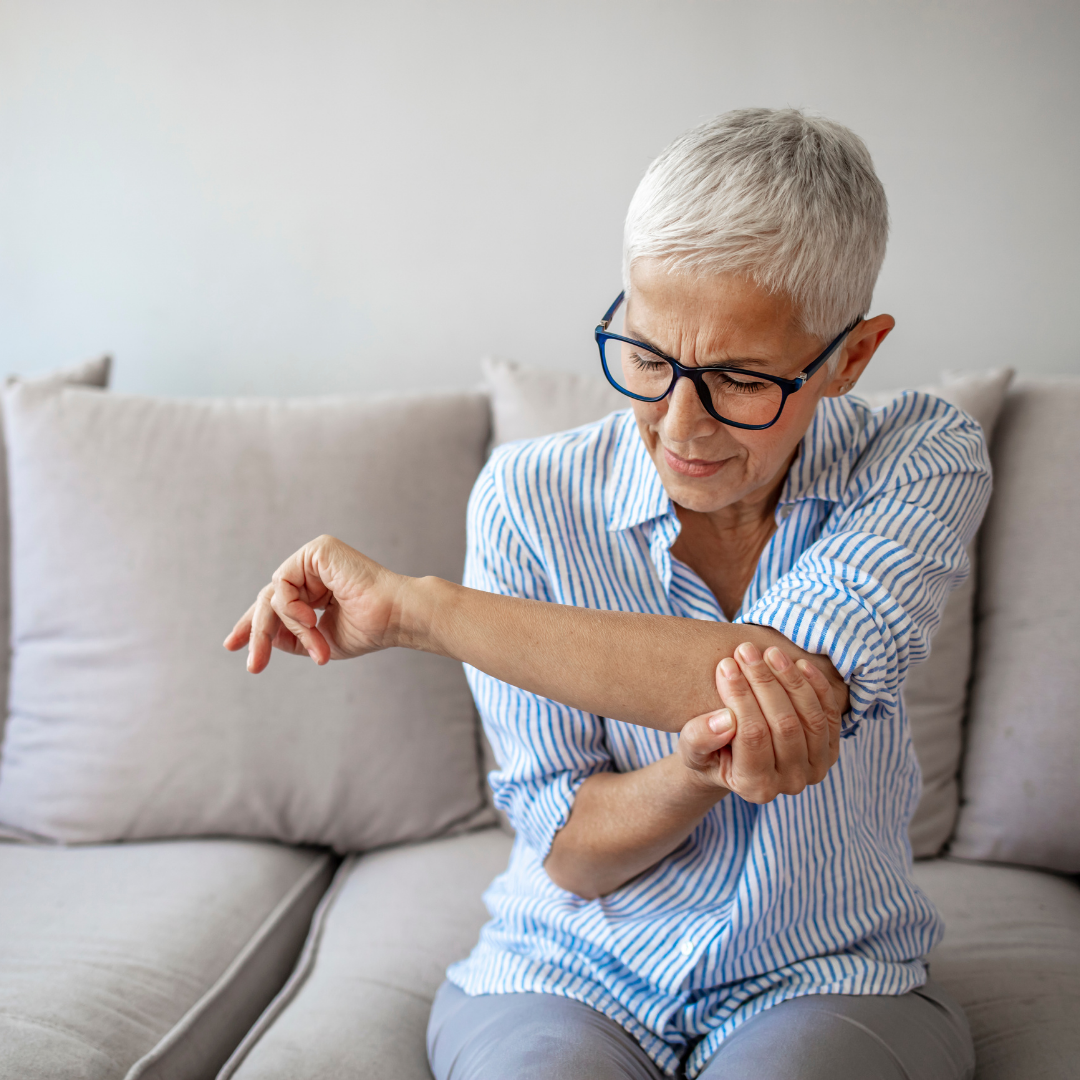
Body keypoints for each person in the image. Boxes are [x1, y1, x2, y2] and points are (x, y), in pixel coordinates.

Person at [225, 109, 986, 1080]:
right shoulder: (528, 499)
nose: (679, 426)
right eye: (647, 355)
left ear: (851, 356)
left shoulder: (923, 457)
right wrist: (695, 771)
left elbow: (786, 678)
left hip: (826, 969)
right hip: (566, 969)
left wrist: (423, 610)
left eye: (742, 379)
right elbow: (575, 856)